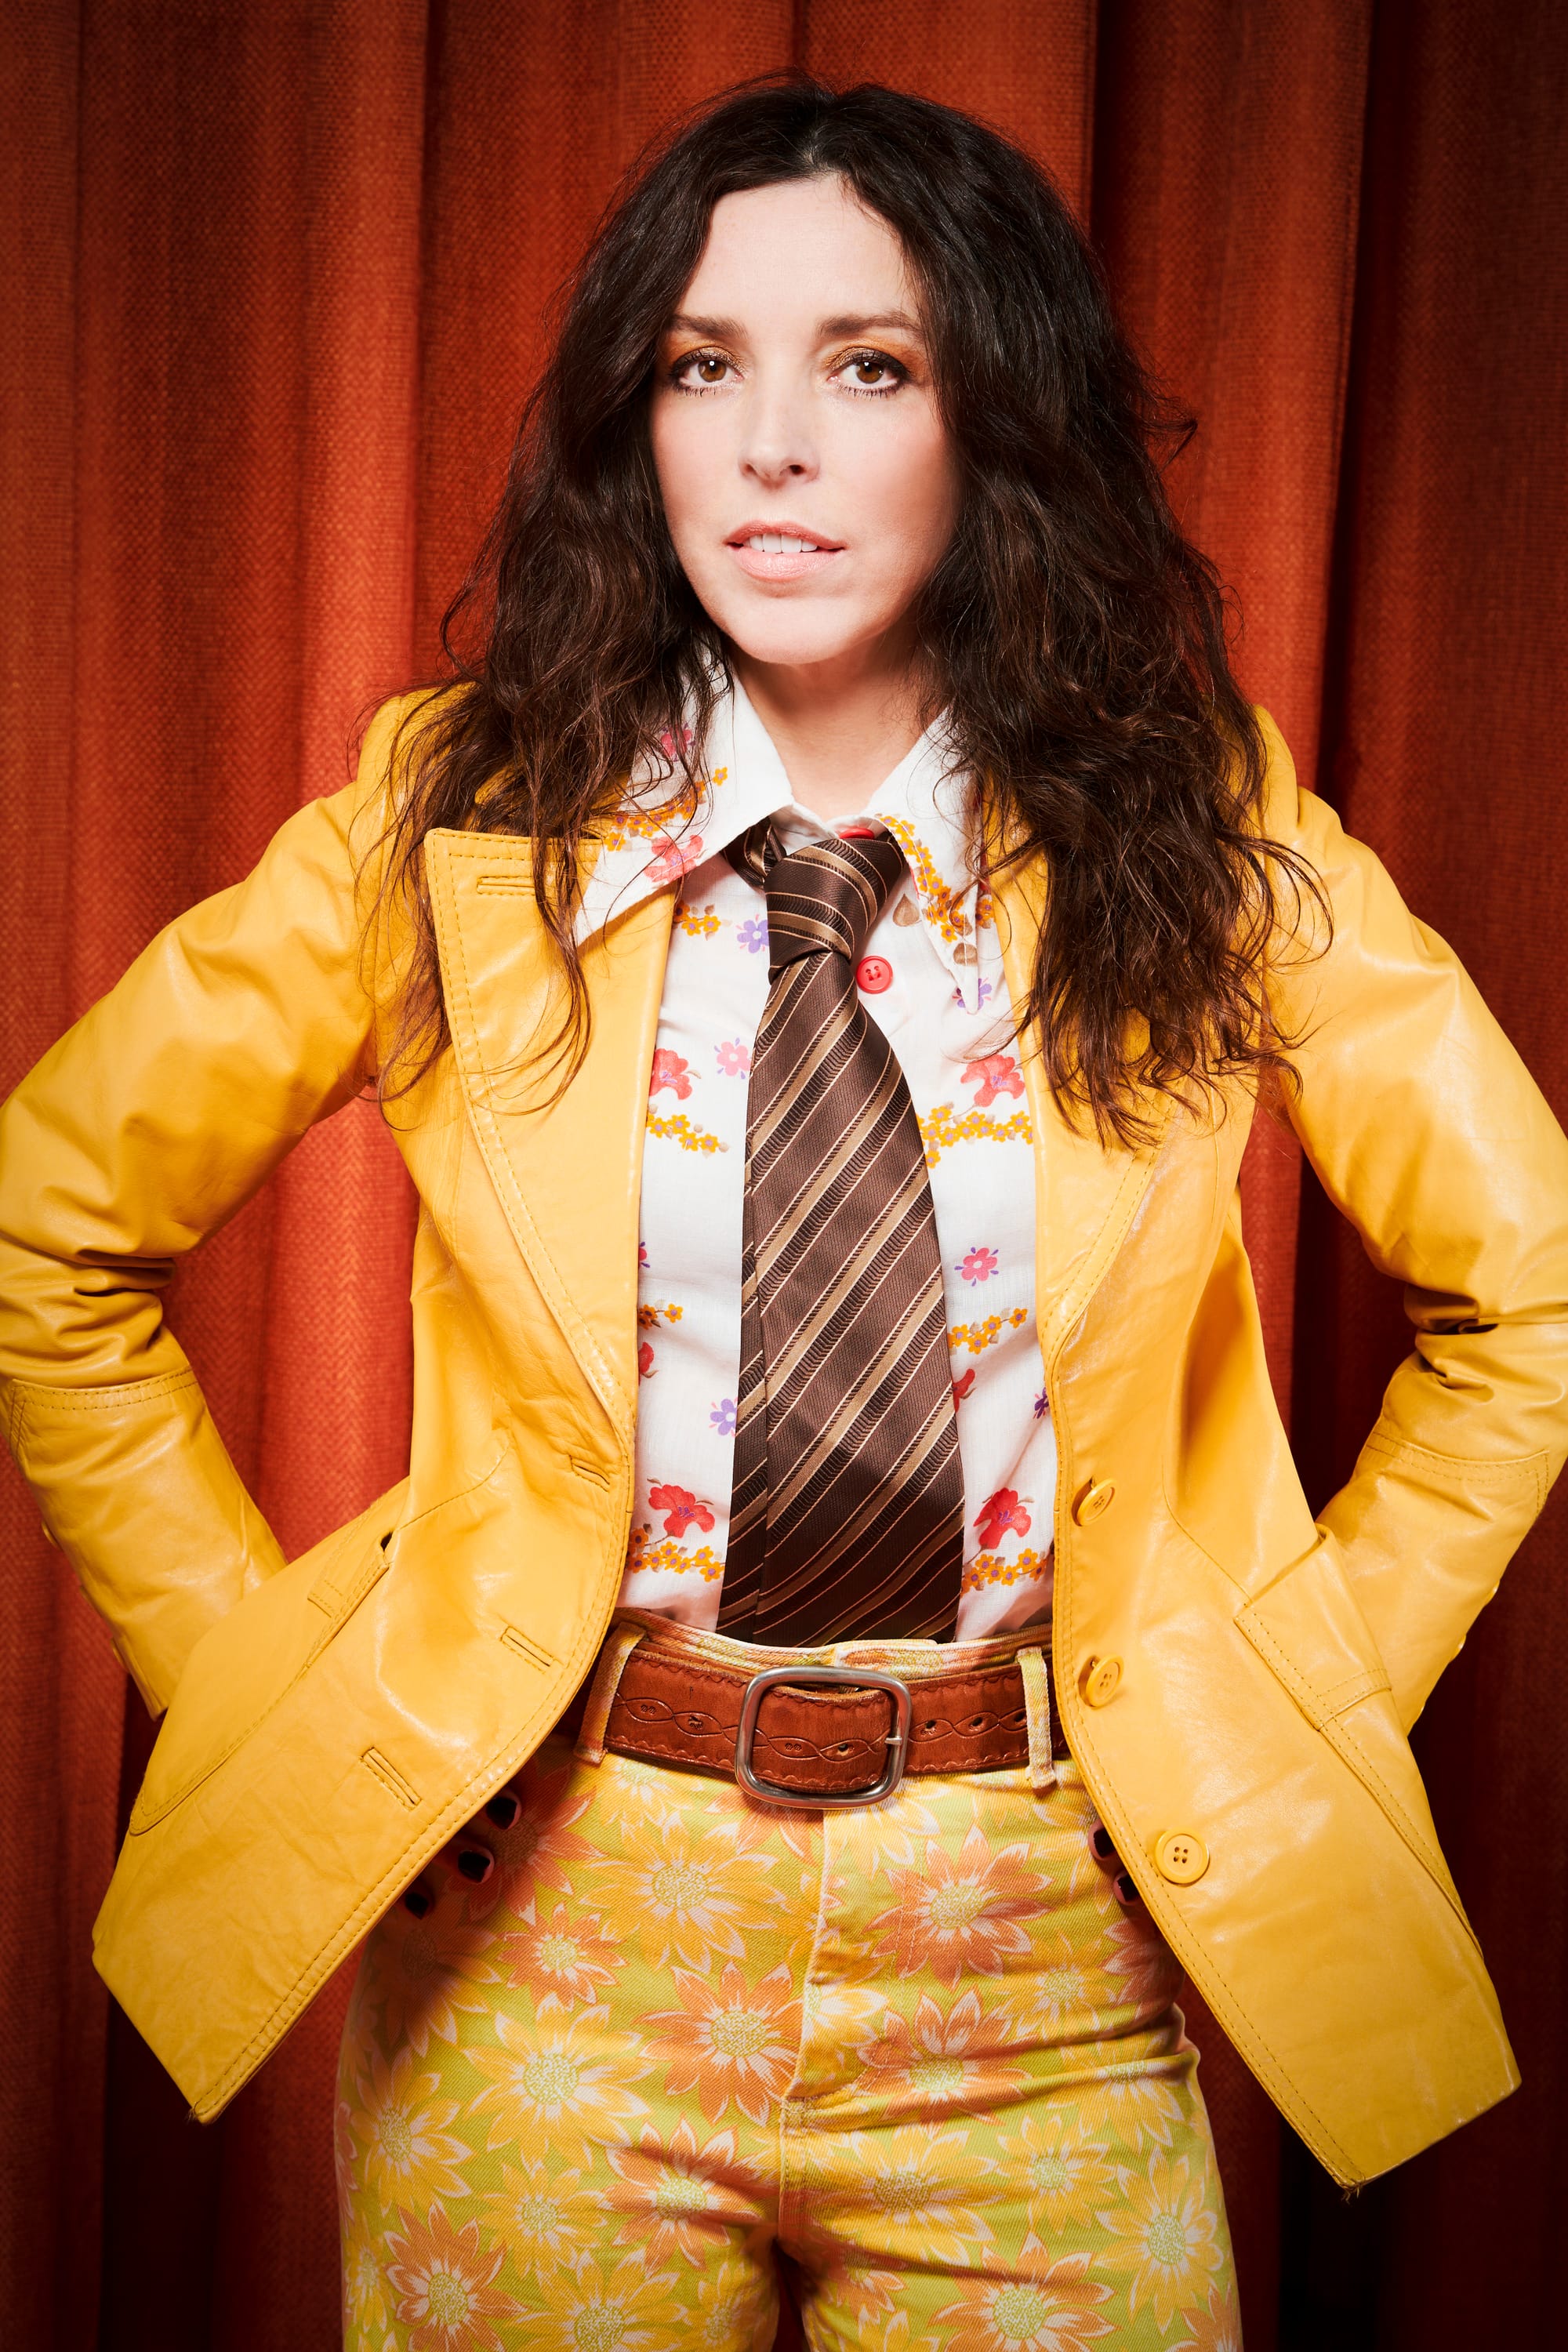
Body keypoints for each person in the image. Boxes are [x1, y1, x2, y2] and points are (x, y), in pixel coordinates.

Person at [2, 75, 1564, 2352]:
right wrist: (261, 1688)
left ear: (994, 415)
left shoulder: (1209, 832)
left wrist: (1288, 1701)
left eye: (870, 365)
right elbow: (52, 1228)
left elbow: (1531, 1292)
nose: (771, 446)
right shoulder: (454, 825)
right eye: (703, 366)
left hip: (1038, 1951)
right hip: (549, 1943)